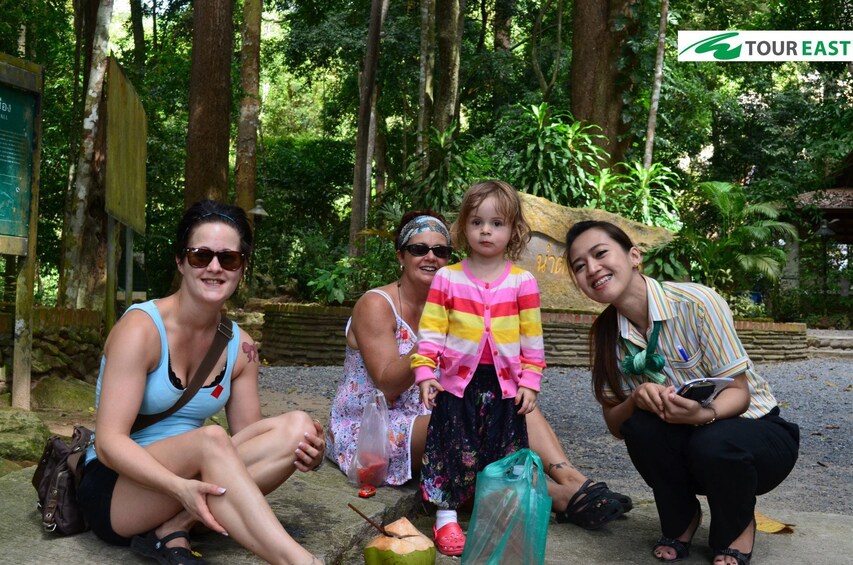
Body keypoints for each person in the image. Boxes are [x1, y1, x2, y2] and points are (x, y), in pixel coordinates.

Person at [326, 207, 631, 550]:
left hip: (437, 403)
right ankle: (558, 497)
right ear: (401, 255)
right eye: (418, 249)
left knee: (511, 397)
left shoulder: (457, 294)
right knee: (456, 424)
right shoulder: (377, 304)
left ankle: (572, 479)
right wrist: (435, 333)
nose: (431, 257)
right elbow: (388, 383)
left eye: (441, 251)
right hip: (379, 424)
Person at [77, 200, 325, 565]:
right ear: (180, 261)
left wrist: (309, 454)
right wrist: (179, 487)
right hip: (118, 489)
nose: (214, 267)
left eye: (229, 258)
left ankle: (176, 525)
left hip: (189, 482)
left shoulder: (242, 347)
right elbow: (111, 443)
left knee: (300, 428)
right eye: (200, 256)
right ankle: (299, 562)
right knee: (211, 439)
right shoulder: (141, 330)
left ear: (242, 268)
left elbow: (251, 437)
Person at [565, 220, 800, 565]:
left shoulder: (697, 302)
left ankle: (735, 527)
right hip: (687, 443)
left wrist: (705, 414)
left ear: (634, 256)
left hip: (756, 433)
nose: (592, 269)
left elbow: (740, 393)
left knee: (714, 441)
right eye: (579, 266)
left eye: (600, 254)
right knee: (640, 426)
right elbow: (617, 426)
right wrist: (636, 398)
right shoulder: (604, 335)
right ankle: (681, 520)